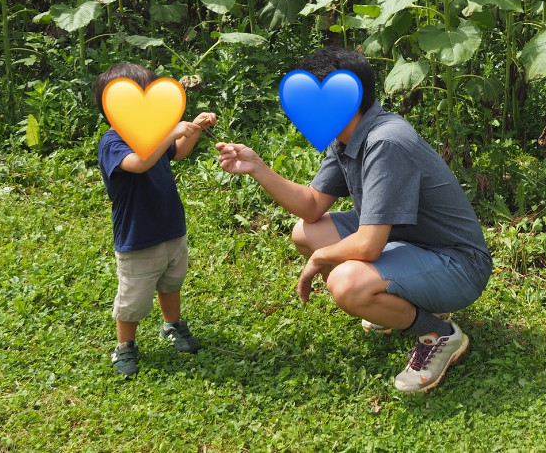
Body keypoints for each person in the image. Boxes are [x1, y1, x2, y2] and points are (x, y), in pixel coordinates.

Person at [215, 46, 492, 394]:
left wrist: (321, 259)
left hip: (458, 265)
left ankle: (437, 333)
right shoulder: (346, 134)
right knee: (307, 233)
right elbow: (312, 205)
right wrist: (257, 167)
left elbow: (369, 244)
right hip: (408, 243)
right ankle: (388, 305)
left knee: (346, 282)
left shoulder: (385, 141)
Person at [94, 62, 217, 377]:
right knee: (133, 296)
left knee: (171, 280)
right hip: (138, 236)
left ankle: (172, 325)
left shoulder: (154, 136)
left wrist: (193, 130)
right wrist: (170, 132)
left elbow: (176, 152)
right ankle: (125, 346)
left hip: (170, 227)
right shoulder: (113, 142)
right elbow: (138, 163)